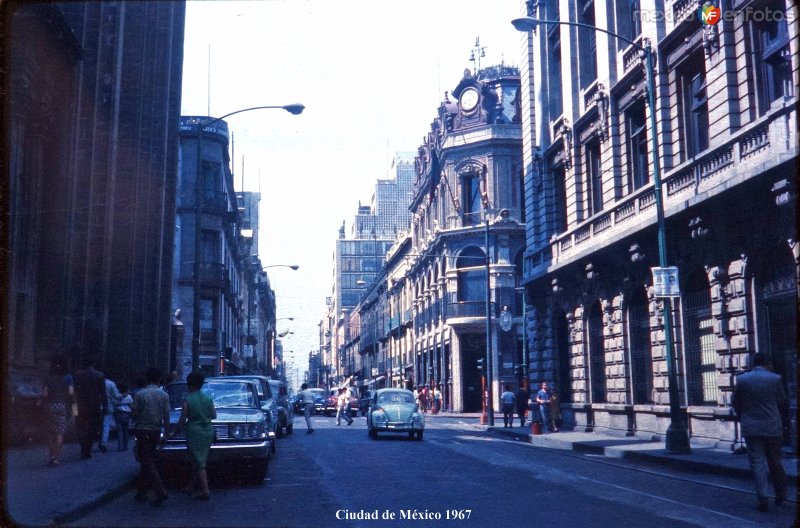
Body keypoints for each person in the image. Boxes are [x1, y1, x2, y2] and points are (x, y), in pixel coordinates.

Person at [732, 352, 789, 512]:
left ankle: (763, 497)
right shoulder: (775, 379)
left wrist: (743, 414)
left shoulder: (742, 379)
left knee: (757, 463)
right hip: (772, 426)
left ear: (754, 363)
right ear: (767, 363)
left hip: (751, 427)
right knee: (775, 461)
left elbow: (736, 402)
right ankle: (781, 493)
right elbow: (782, 400)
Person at [131, 367, 170, 505]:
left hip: (142, 430)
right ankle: (142, 492)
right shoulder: (164, 395)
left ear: (147, 378)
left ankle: (161, 491)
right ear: (159, 379)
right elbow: (166, 417)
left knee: (146, 461)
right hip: (155, 431)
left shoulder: (140, 394)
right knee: (147, 460)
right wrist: (166, 434)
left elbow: (134, 414)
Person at [174, 372, 216, 500]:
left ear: (189, 384)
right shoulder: (208, 399)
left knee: (199, 461)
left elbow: (182, 419)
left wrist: (174, 433)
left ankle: (205, 491)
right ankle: (190, 486)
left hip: (194, 432)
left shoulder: (187, 399)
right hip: (208, 431)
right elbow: (214, 415)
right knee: (197, 460)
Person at [41, 355, 74, 466]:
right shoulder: (68, 377)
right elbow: (71, 393)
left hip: (49, 406)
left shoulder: (48, 377)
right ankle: (55, 458)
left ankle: (51, 455)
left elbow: (44, 393)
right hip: (62, 406)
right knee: (59, 433)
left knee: (50, 433)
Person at [73, 357, 107, 459]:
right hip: (94, 406)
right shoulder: (100, 375)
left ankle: (83, 446)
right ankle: (87, 450)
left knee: (80, 427)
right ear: (93, 363)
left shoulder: (78, 375)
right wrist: (105, 406)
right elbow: (103, 393)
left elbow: (74, 392)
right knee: (91, 429)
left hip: (80, 405)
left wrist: (73, 406)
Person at [100, 376, 121, 452]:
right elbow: (116, 395)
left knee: (99, 424)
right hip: (108, 404)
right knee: (106, 425)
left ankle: (98, 441)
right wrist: (122, 394)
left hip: (97, 404)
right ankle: (103, 443)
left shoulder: (98, 382)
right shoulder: (111, 384)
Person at [114, 382, 133, 451]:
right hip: (126, 413)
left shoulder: (117, 396)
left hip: (118, 413)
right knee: (126, 430)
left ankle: (120, 446)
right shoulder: (129, 397)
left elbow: (114, 404)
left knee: (119, 431)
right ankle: (125, 446)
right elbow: (131, 405)